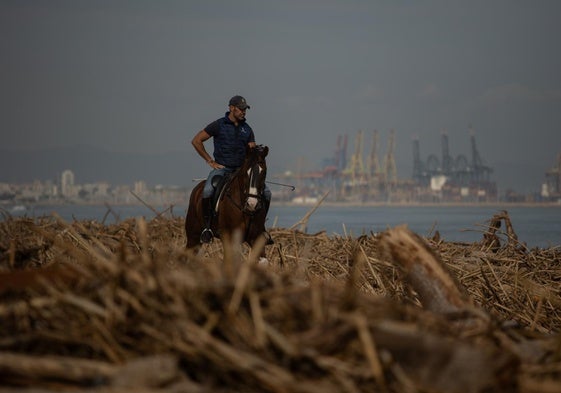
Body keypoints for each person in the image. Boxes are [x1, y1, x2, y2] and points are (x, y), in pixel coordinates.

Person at [191, 95, 272, 244]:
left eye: (245, 109)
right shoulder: (218, 125)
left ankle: (261, 228)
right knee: (208, 190)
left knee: (266, 192)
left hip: (241, 171)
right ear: (231, 108)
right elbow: (196, 141)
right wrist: (210, 161)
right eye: (241, 109)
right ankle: (207, 228)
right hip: (222, 168)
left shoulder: (247, 129)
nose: (243, 112)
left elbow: (251, 152)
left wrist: (257, 152)